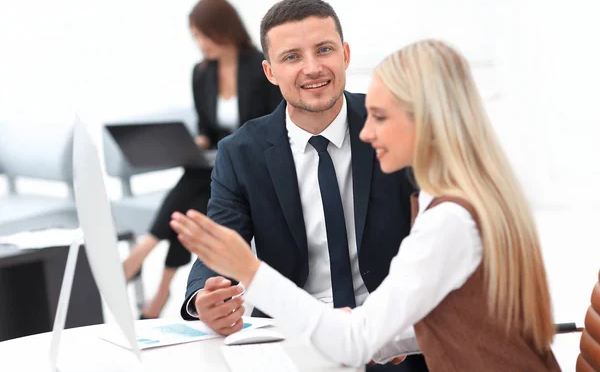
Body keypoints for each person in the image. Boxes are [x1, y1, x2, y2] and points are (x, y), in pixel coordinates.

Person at [171, 39, 562, 371]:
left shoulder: (451, 220)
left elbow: (354, 345)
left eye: (379, 117)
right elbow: (456, 313)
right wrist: (376, 328)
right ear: (270, 70)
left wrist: (250, 271)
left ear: (427, 120)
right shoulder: (472, 197)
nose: (366, 131)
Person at [177, 0, 427, 372]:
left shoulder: (396, 128)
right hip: (290, 339)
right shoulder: (240, 152)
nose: (312, 68)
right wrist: (203, 298)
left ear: (344, 54)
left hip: (391, 339)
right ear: (270, 71)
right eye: (292, 57)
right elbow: (221, 241)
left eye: (324, 49)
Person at [122, 0, 281, 319]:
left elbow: (272, 120)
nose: (201, 43)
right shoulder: (201, 73)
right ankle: (160, 287)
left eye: (204, 34)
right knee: (198, 188)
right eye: (195, 36)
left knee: (199, 194)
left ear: (225, 29)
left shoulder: (258, 65)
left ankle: (147, 253)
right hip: (215, 162)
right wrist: (198, 140)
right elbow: (208, 127)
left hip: (254, 157)